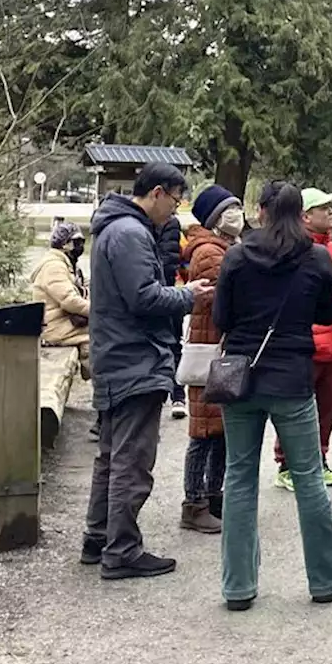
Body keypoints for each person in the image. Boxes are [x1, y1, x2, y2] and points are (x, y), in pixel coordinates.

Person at [212, 181, 332, 611]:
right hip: (292, 381)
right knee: (308, 478)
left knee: (240, 478)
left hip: (241, 380)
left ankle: (238, 585)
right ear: (301, 213)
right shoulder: (315, 256)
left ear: (261, 211)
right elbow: (325, 313)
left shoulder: (237, 255)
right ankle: (329, 577)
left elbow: (221, 317)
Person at [82, 163, 209, 579]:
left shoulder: (113, 228)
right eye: (174, 201)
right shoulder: (131, 233)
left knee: (111, 455)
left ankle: (98, 537)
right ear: (157, 193)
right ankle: (122, 550)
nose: (174, 212)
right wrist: (188, 295)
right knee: (132, 460)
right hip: (134, 358)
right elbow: (144, 298)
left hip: (115, 355)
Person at [274, 187, 332, 490]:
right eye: (323, 207)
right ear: (305, 216)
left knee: (327, 407)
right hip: (305, 348)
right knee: (295, 409)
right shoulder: (293, 249)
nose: (331, 211)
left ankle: (319, 459)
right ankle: (287, 465)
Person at [178, 184, 244, 534]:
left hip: (220, 350)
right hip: (210, 350)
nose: (238, 214)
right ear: (216, 217)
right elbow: (226, 297)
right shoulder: (209, 252)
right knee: (204, 432)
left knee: (219, 431)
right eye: (230, 208)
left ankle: (214, 496)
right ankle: (194, 501)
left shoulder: (226, 247)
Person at [31, 221, 90, 356]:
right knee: (105, 334)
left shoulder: (68, 265)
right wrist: (100, 313)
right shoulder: (54, 267)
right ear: (64, 244)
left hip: (66, 324)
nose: (80, 246)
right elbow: (70, 300)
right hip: (57, 328)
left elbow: (85, 288)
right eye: (77, 242)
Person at [159, 207, 187, 420]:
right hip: (167, 292)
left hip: (167, 293)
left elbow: (170, 262)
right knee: (173, 344)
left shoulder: (169, 224)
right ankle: (176, 396)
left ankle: (176, 395)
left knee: (171, 344)